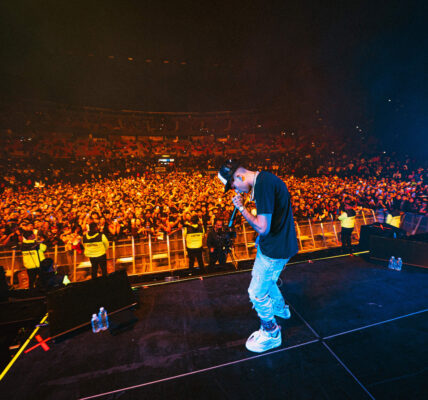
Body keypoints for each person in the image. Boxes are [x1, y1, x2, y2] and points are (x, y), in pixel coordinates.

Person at [218, 159, 298, 353]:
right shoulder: (265, 180)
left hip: (274, 250)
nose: (236, 190)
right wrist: (261, 239)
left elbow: (262, 227)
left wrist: (241, 208)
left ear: (239, 176)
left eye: (233, 185)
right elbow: (274, 219)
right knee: (266, 280)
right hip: (276, 244)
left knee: (256, 293)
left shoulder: (262, 185)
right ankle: (280, 309)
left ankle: (271, 333)